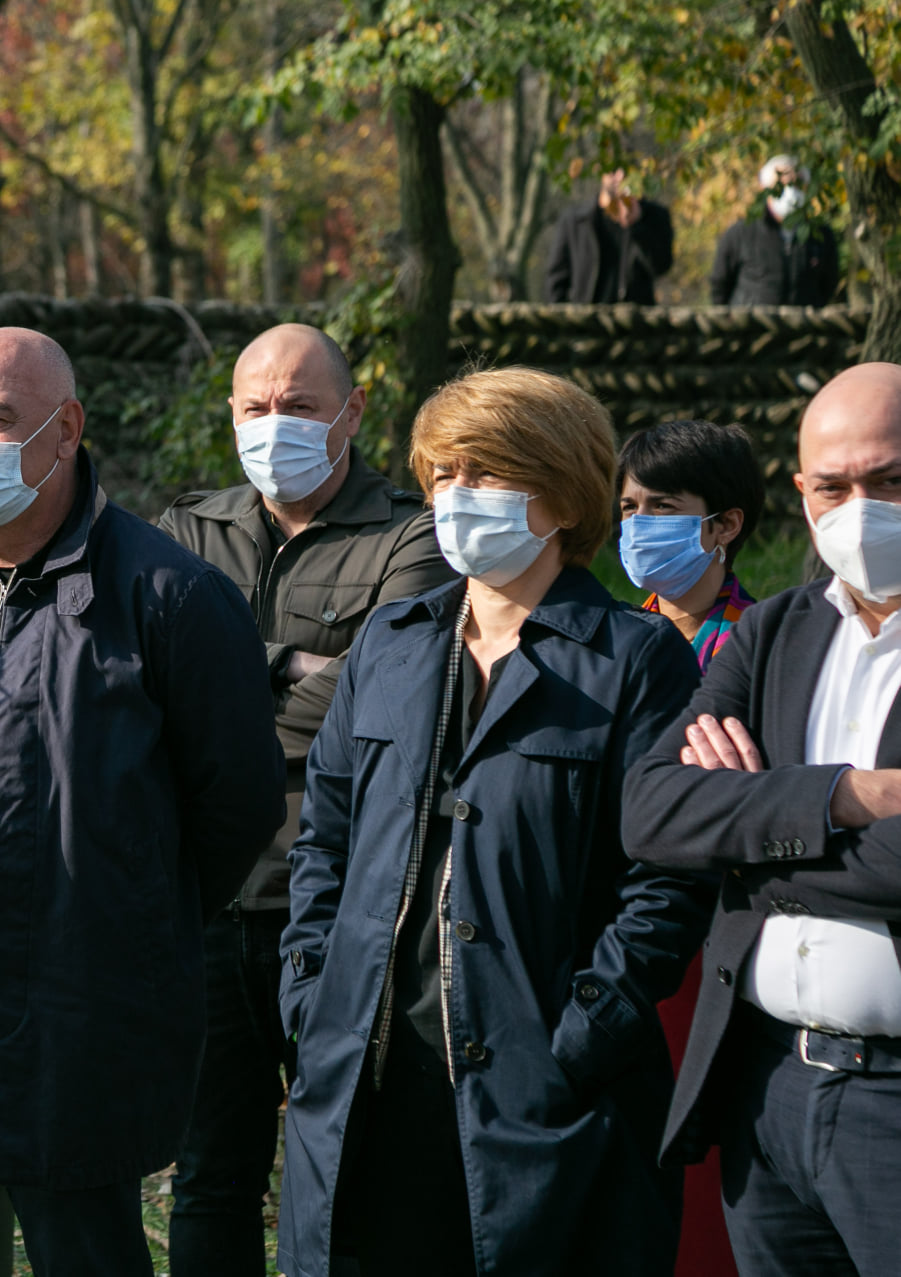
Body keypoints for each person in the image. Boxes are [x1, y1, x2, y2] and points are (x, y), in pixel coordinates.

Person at [0, 327, 287, 1274]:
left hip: (68, 995)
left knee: (83, 1248)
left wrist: (122, 914)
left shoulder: (169, 594)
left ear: (65, 428)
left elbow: (234, 804)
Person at [276, 367, 713, 1277]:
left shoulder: (635, 660)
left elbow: (668, 876)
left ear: (563, 495)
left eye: (486, 471)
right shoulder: (390, 642)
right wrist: (310, 992)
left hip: (542, 1090)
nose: (456, 494)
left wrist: (583, 1035)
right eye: (443, 473)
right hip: (365, 1074)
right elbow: (324, 837)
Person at [154, 323, 453, 1274]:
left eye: (298, 406)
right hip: (204, 898)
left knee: (351, 1163)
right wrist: (297, 664)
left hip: (336, 906)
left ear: (352, 412)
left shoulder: (414, 536)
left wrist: (217, 680)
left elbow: (383, 707)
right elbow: (131, 683)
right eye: (255, 407)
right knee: (210, 1175)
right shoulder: (184, 530)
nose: (272, 424)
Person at [622, 362, 901, 1276]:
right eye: (833, 487)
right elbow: (652, 810)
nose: (860, 509)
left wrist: (749, 831)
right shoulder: (774, 632)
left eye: (889, 480)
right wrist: (849, 796)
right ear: (801, 492)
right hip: (763, 1086)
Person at [615, 417, 765, 1277]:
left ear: (724, 524)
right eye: (628, 507)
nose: (638, 525)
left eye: (661, 507)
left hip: (716, 935)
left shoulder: (759, 645)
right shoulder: (608, 638)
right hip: (615, 934)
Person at [709, 154, 841, 307]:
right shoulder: (740, 234)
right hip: (750, 321)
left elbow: (828, 285)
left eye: (797, 184)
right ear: (765, 188)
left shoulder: (820, 236)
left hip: (803, 321)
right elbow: (719, 287)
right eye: (781, 185)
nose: (790, 191)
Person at [544, 167, 675, 304]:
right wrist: (565, 316)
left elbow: (661, 266)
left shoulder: (653, 215)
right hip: (585, 316)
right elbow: (556, 279)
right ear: (600, 170)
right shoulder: (574, 220)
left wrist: (637, 225)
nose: (620, 176)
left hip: (634, 316)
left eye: (626, 170)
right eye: (613, 169)